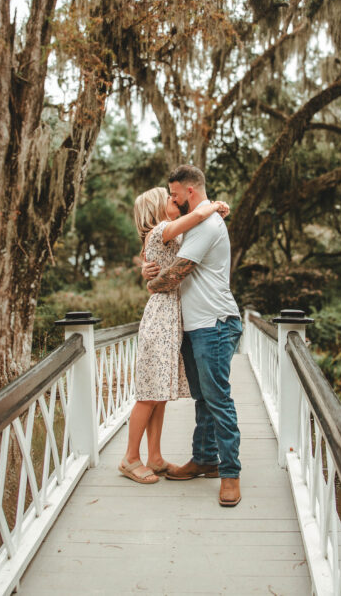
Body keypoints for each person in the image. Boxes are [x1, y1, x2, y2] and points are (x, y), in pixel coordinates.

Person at [143, 165, 243, 507]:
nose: (170, 200)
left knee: (218, 400)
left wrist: (150, 283)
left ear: (189, 192)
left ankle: (230, 473)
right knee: (203, 399)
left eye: (173, 195)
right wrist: (147, 267)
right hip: (194, 325)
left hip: (214, 324)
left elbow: (172, 276)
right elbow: (160, 252)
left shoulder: (207, 225)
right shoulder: (196, 223)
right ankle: (205, 459)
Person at [120, 187, 230, 484]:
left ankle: (154, 456)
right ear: (158, 207)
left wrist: (148, 272)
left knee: (160, 395)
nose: (176, 201)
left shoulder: (168, 236)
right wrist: (215, 205)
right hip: (160, 320)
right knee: (148, 394)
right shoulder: (161, 231)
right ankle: (131, 458)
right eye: (170, 199)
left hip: (172, 320)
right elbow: (196, 214)